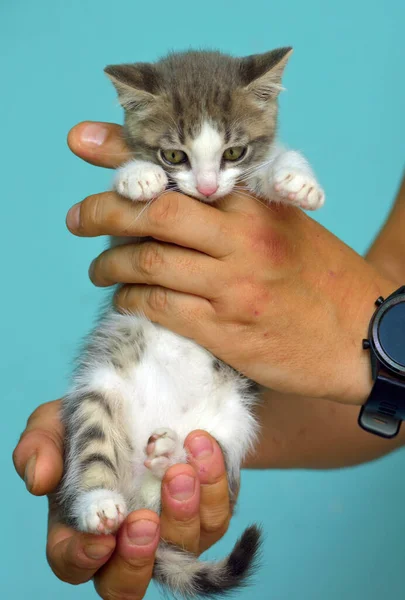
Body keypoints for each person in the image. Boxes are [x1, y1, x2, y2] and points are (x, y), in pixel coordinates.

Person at [13, 121, 405, 600]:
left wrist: (355, 322)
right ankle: (150, 470)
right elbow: (389, 292)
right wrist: (126, 438)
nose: (205, 180)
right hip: (166, 385)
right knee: (175, 408)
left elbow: (364, 320)